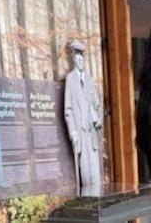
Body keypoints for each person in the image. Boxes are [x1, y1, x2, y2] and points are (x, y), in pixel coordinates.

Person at [63, 40, 102, 196]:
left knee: (96, 178)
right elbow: (68, 110)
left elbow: (98, 107)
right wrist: (72, 130)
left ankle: (98, 205)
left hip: (92, 136)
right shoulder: (70, 80)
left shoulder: (91, 81)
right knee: (85, 178)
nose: (80, 61)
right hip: (81, 135)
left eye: (82, 58)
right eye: (77, 58)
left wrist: (98, 119)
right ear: (73, 59)